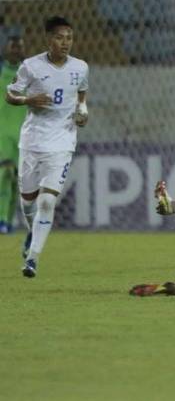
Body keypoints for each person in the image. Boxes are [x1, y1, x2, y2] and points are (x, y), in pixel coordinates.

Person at [4, 17, 90, 278]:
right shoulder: (30, 66)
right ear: (48, 39)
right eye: (59, 37)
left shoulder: (81, 67)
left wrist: (83, 111)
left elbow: (82, 94)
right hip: (32, 142)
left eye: (69, 38)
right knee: (28, 203)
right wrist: (29, 99)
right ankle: (33, 232)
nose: (65, 43)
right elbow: (10, 94)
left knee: (47, 202)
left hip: (62, 142)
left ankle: (32, 259)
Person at [0, 36, 27, 234]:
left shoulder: (30, 74)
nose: (16, 50)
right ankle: (1, 219)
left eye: (19, 47)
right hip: (2, 132)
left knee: (15, 180)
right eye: (12, 47)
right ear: (5, 50)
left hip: (23, 133)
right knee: (4, 173)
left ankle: (6, 222)